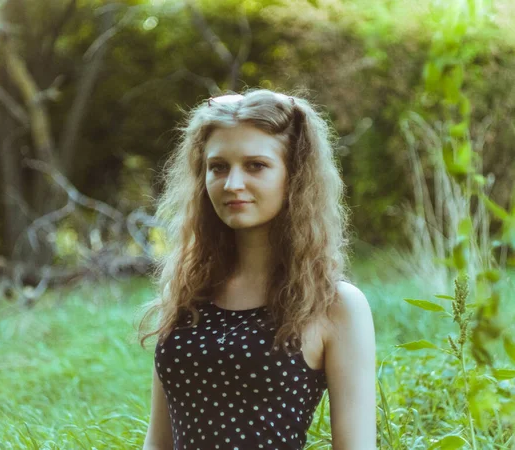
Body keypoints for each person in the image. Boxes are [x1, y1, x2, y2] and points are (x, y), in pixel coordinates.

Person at [138, 89, 377, 449]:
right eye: (218, 167)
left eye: (255, 165)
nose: (233, 184)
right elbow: (158, 443)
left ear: (294, 175)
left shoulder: (334, 305)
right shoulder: (189, 291)